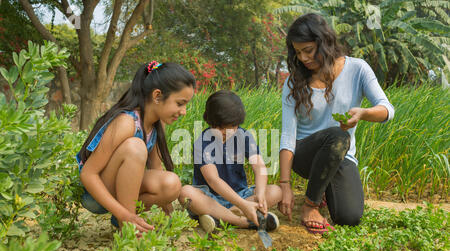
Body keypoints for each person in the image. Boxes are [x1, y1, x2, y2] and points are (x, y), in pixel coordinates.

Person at [278, 14, 395, 234]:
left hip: (341, 155)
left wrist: (363, 113)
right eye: (298, 52)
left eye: (308, 50)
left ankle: (321, 190)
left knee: (348, 217)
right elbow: (287, 136)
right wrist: (285, 185)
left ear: (324, 42)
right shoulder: (294, 82)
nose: (302, 58)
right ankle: (310, 206)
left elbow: (387, 110)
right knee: (339, 136)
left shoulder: (357, 69)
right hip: (305, 154)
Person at [76, 61, 196, 233]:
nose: (183, 111)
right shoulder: (127, 122)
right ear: (157, 96)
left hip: (120, 191)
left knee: (172, 184)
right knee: (135, 147)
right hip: (96, 195)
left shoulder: (156, 124)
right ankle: (127, 225)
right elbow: (88, 173)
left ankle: (124, 220)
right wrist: (124, 214)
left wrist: (168, 211)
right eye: (180, 103)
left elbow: (155, 167)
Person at [179, 90, 282, 233]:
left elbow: (259, 166)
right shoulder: (201, 143)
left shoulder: (244, 136)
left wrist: (260, 193)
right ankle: (243, 222)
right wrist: (243, 205)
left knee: (275, 191)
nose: (226, 132)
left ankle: (220, 218)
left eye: (232, 127)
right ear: (209, 121)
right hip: (211, 198)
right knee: (186, 193)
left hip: (240, 194)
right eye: (220, 128)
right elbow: (213, 180)